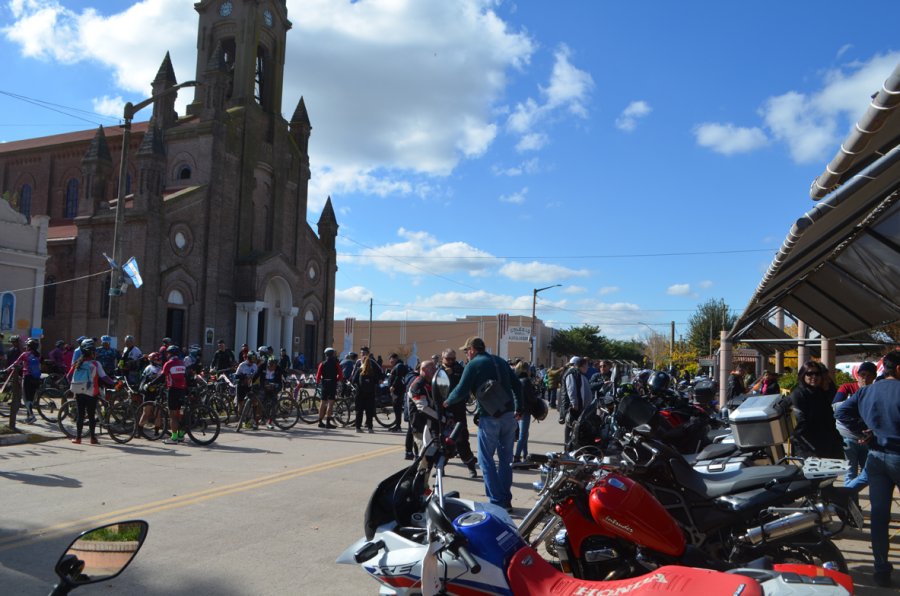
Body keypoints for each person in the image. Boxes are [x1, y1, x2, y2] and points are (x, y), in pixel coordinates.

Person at [835, 351, 900, 588]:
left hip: (876, 457)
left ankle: (881, 568)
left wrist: (863, 432)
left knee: (880, 516)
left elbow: (841, 412)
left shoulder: (866, 391)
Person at [444, 337, 522, 512]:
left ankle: (497, 501)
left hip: (490, 416)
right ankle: (506, 500)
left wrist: (447, 401)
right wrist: (520, 407)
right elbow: (517, 385)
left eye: (466, 351)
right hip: (509, 416)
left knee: (485, 459)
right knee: (506, 460)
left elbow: (461, 389)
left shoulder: (474, 365)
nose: (466, 354)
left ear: (472, 349)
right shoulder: (500, 361)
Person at [833, 361, 877, 489]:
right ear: (857, 375)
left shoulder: (874, 391)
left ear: (874, 376)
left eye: (869, 375)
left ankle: (848, 499)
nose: (865, 378)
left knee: (868, 473)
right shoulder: (847, 387)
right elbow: (836, 407)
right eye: (862, 374)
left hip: (867, 438)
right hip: (848, 436)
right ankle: (849, 502)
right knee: (850, 473)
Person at [789, 360, 843, 459]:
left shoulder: (821, 392)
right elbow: (799, 424)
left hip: (828, 444)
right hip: (809, 446)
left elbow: (829, 418)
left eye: (817, 374)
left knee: (831, 474)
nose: (814, 377)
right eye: (809, 374)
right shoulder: (798, 394)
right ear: (803, 375)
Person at [66, 339, 115, 444]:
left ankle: (78, 438)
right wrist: (114, 383)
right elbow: (104, 377)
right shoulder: (95, 364)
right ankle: (93, 438)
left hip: (79, 392)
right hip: (92, 393)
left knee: (80, 415)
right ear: (92, 352)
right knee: (91, 415)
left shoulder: (77, 363)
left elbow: (68, 376)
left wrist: (77, 385)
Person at [440, 348, 478, 477]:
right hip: (443, 411)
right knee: (443, 441)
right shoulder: (438, 370)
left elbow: (464, 386)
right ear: (442, 358)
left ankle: (471, 467)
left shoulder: (460, 370)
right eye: (448, 359)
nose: (450, 361)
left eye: (453, 359)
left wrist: (452, 375)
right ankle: (441, 467)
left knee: (462, 440)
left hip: (458, 410)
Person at [407, 359, 439, 486]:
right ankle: (418, 487)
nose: (435, 370)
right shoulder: (417, 385)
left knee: (429, 458)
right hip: (420, 427)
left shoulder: (430, 382)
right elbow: (423, 407)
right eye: (432, 368)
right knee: (424, 458)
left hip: (430, 426)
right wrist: (441, 418)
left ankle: (423, 486)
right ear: (424, 370)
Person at [4, 337, 42, 424]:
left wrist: (6, 370)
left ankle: (32, 416)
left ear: (29, 346)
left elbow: (15, 363)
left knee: (25, 399)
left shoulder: (25, 354)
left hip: (27, 377)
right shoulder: (38, 355)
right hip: (36, 378)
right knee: (31, 398)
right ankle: (29, 417)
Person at [560, 357, 591, 450]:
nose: (588, 367)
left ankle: (572, 449)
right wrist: (574, 404)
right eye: (586, 365)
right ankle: (567, 450)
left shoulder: (578, 374)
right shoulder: (572, 373)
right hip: (573, 408)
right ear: (581, 366)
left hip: (578, 408)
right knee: (570, 429)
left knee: (575, 430)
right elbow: (571, 389)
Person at [159, 345, 188, 444]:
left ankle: (174, 438)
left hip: (173, 390)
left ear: (170, 353)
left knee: (172, 415)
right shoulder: (182, 363)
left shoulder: (169, 364)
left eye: (167, 353)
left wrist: (150, 383)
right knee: (179, 413)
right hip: (182, 390)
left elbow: (162, 376)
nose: (166, 354)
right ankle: (180, 435)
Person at [351, 346, 383, 433]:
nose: (362, 355)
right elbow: (377, 379)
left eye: (364, 353)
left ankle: (358, 427)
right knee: (369, 410)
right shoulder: (371, 370)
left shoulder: (359, 368)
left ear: (368, 354)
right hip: (370, 392)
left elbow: (353, 378)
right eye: (361, 353)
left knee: (359, 410)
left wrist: (356, 384)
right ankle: (369, 427)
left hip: (360, 392)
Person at [513, 361, 537, 464]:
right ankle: (517, 456)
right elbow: (532, 398)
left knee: (524, 434)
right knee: (523, 435)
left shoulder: (516, 380)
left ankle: (525, 455)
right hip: (525, 411)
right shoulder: (526, 381)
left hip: (518, 410)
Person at [315, 348, 342, 429]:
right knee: (330, 403)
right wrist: (337, 379)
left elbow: (318, 377)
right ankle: (328, 422)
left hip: (324, 383)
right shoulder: (336, 363)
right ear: (332, 354)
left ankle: (320, 421)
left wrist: (319, 382)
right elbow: (340, 375)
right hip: (332, 383)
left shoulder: (322, 364)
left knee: (322, 402)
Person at [386, 354, 409, 433]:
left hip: (398, 391)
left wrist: (393, 386)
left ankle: (398, 426)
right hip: (397, 390)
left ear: (395, 358)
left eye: (391, 359)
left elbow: (398, 377)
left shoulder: (399, 366)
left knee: (397, 408)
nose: (390, 361)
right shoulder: (398, 366)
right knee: (396, 408)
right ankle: (397, 425)